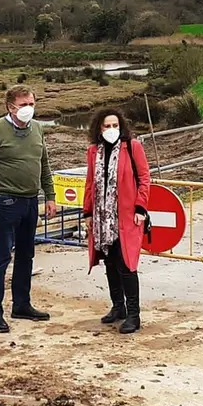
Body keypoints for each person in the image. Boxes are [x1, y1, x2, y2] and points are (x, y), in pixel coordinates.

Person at [0, 84, 57, 334]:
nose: (28, 109)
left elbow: (44, 164)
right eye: (23, 105)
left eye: (32, 104)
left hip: (31, 202)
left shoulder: (37, 129)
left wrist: (50, 195)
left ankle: (22, 304)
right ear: (10, 107)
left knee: (26, 256)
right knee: (1, 258)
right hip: (6, 203)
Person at [82, 107, 151, 334]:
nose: (111, 129)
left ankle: (134, 314)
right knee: (110, 262)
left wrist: (141, 207)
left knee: (126, 264)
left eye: (115, 125)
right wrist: (88, 213)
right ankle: (117, 307)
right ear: (98, 128)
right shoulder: (94, 151)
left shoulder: (132, 147)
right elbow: (90, 183)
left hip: (127, 216)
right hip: (102, 219)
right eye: (107, 126)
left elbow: (144, 178)